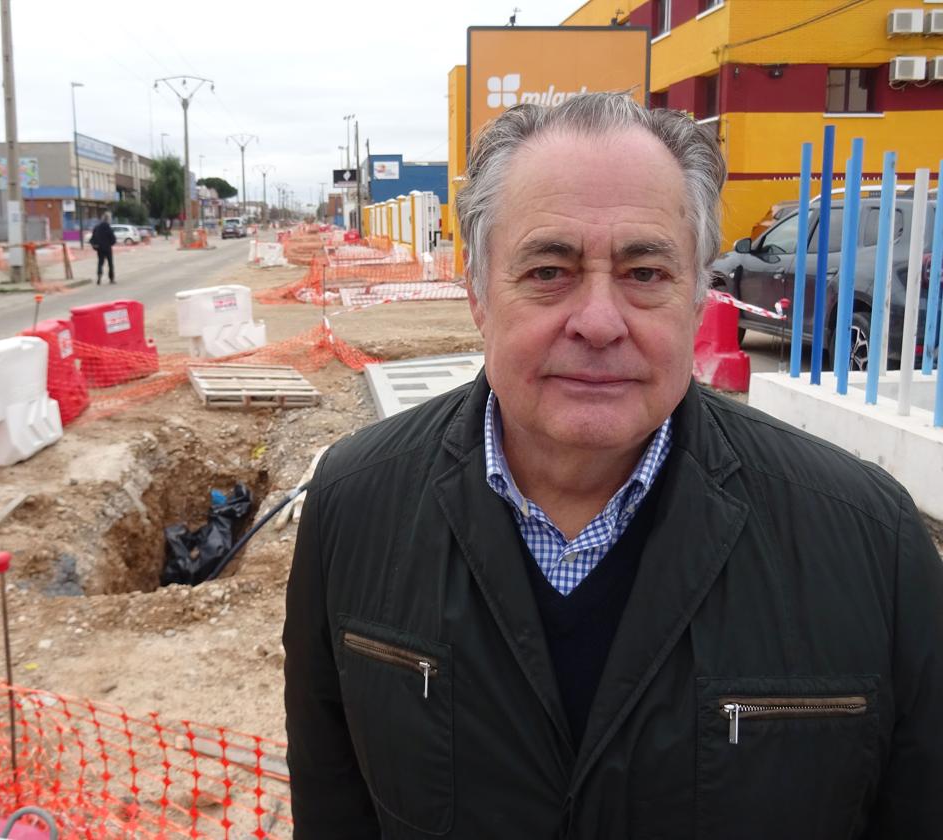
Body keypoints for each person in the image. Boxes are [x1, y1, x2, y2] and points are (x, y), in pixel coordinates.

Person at [283, 93, 943, 838]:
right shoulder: (352, 507)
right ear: (477, 294)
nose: (598, 321)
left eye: (645, 273)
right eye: (548, 270)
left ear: (697, 298)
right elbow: (334, 803)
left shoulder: (871, 547)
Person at [89, 212, 116, 284]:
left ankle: (99, 276)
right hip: (107, 248)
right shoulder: (108, 227)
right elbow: (113, 239)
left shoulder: (97, 227)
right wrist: (110, 243)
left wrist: (95, 245)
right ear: (108, 219)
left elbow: (92, 238)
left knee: (100, 263)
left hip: (99, 248)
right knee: (110, 263)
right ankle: (111, 278)